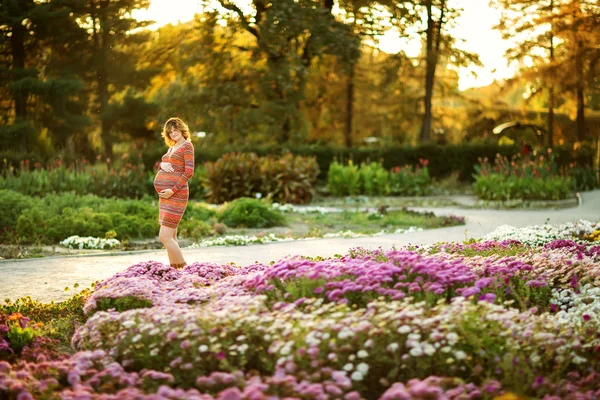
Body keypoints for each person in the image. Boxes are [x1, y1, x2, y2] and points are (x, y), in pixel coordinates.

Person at [153, 117, 195, 269]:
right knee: (172, 236)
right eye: (170, 132)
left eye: (175, 130)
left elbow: (189, 172)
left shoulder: (187, 146)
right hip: (165, 197)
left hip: (176, 194)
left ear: (182, 130)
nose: (173, 134)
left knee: (164, 236)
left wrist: (172, 190)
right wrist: (162, 164)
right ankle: (174, 271)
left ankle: (185, 270)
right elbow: (168, 167)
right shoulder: (172, 148)